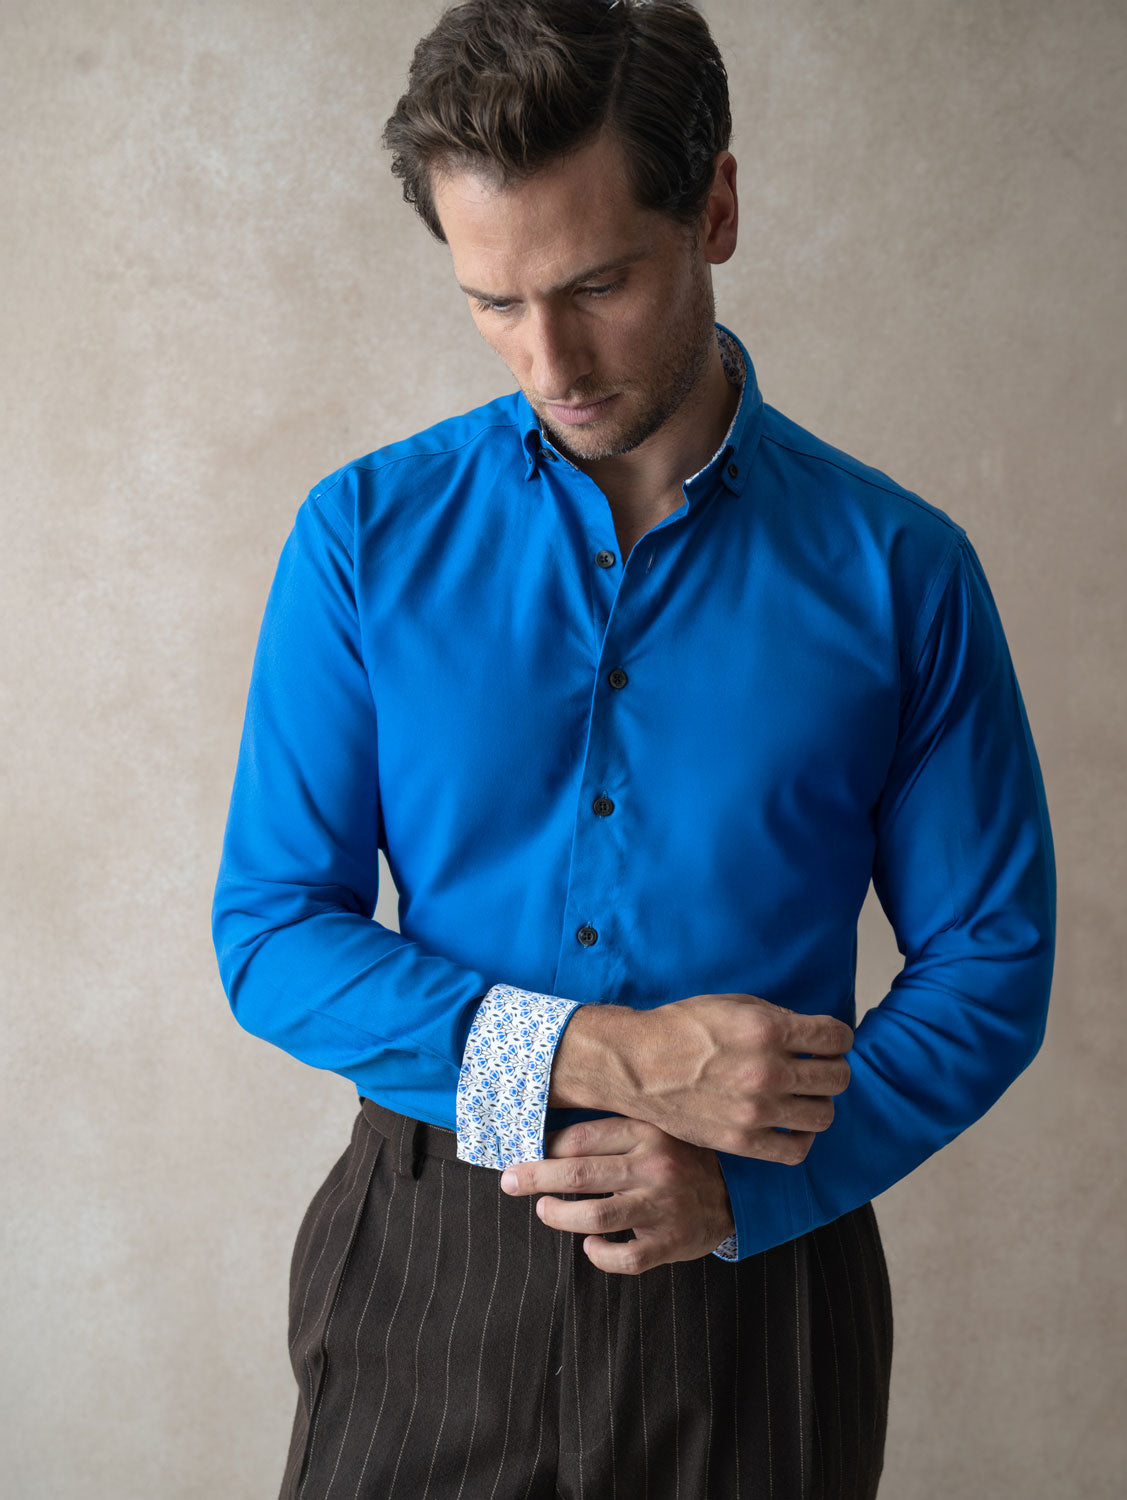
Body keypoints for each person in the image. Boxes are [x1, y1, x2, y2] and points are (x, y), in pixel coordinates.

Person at [211, 1, 1057, 1495]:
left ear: (715, 205)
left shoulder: (901, 571)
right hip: (426, 1262)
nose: (550, 357)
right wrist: (597, 1054)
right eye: (493, 300)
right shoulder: (361, 539)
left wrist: (738, 1182)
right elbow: (273, 932)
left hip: (761, 1280)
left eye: (597, 283)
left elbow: (991, 960)